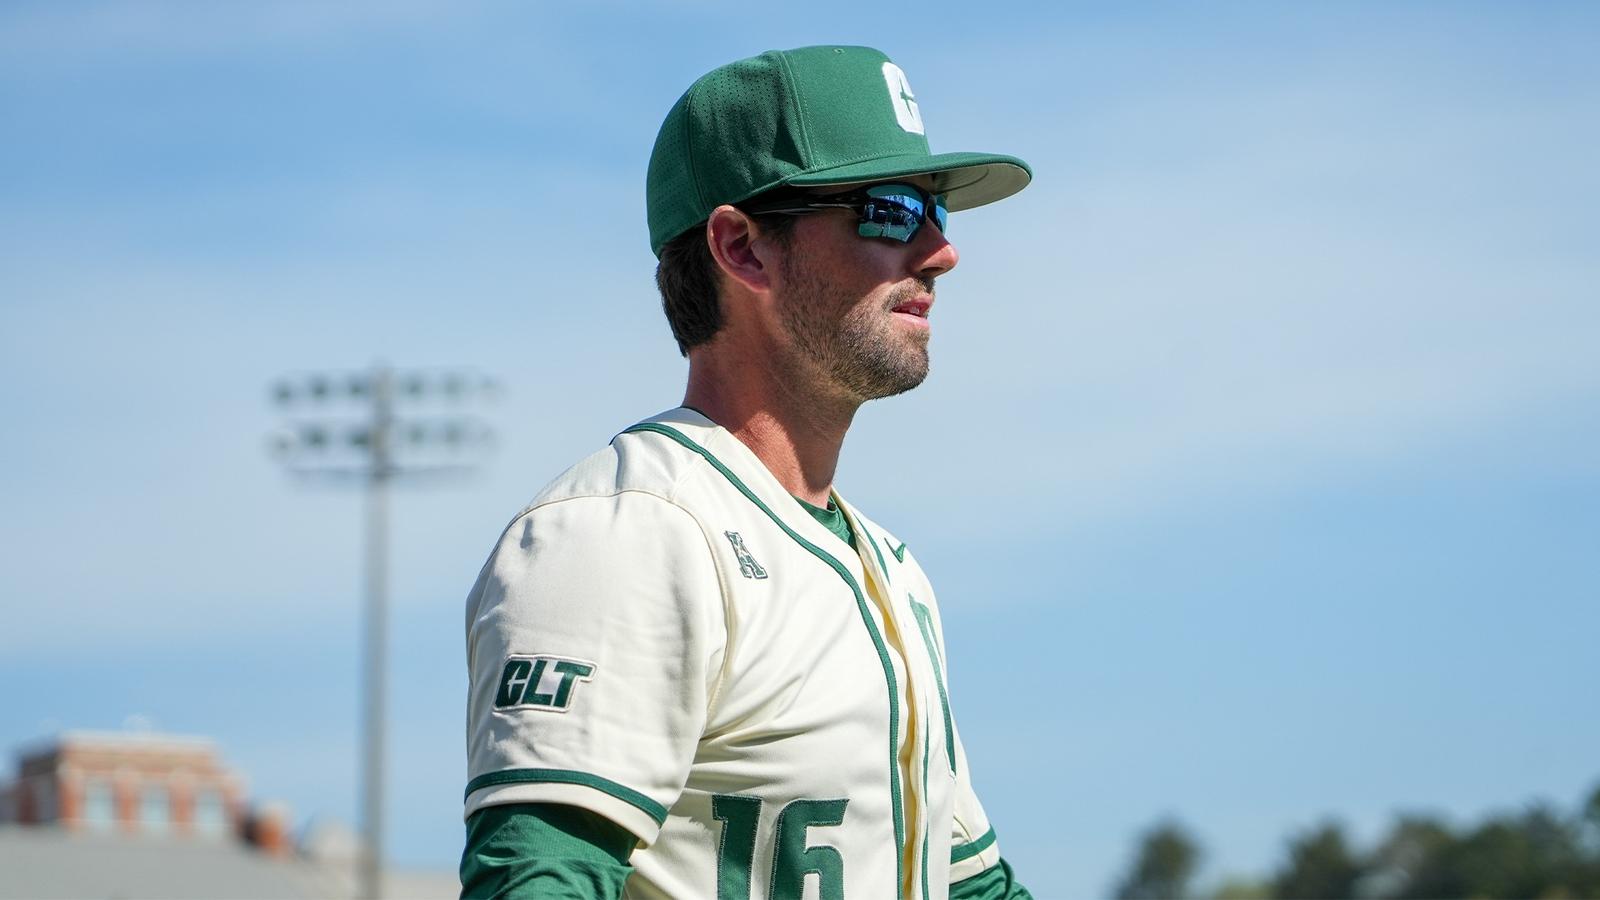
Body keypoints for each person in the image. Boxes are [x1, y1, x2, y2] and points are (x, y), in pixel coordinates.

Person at [461, 45, 1034, 900]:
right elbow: (537, 881)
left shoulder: (892, 569)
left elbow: (976, 889)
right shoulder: (631, 529)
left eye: (939, 210)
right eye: (890, 209)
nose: (939, 251)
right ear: (742, 249)